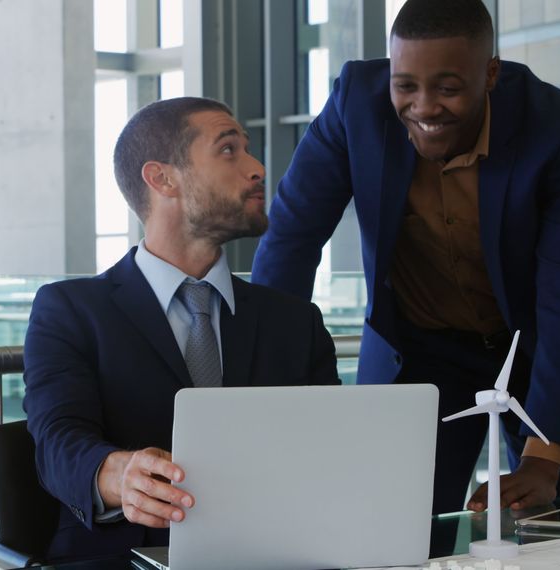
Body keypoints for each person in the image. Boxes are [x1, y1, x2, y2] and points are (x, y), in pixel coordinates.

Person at [251, 0, 560, 517]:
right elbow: (291, 239)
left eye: (447, 88)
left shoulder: (559, 128)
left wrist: (545, 455)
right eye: (406, 86)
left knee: (554, 529)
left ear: (489, 74)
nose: (424, 107)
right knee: (396, 527)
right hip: (419, 353)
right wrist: (265, 384)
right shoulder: (356, 102)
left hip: (540, 351)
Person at [23, 97, 340, 562]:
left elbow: (333, 451)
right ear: (162, 178)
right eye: (229, 150)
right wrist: (119, 474)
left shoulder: (296, 321)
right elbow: (58, 441)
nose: (256, 168)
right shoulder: (70, 310)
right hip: (121, 558)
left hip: (275, 555)